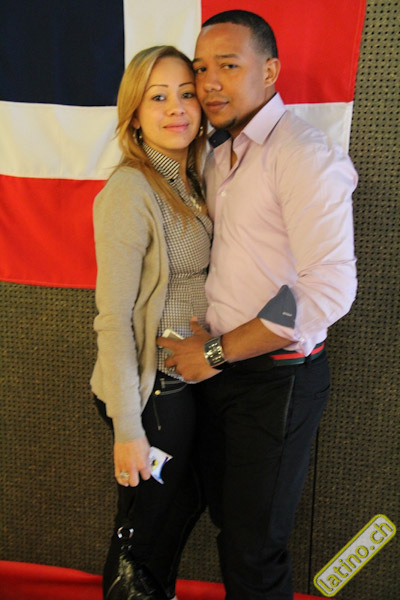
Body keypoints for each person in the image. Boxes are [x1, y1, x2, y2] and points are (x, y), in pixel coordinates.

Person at [157, 10, 358, 600]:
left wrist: (215, 352)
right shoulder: (218, 153)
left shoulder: (303, 154)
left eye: (228, 65)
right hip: (221, 374)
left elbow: (329, 288)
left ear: (270, 72)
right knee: (226, 528)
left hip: (276, 380)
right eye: (201, 68)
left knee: (254, 548)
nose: (209, 83)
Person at [90, 45, 210, 600]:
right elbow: (113, 319)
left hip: (188, 380)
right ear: (135, 115)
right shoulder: (130, 191)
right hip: (150, 390)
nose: (176, 108)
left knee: (175, 511)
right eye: (157, 97)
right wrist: (128, 429)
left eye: (186, 94)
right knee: (143, 530)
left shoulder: (197, 178)